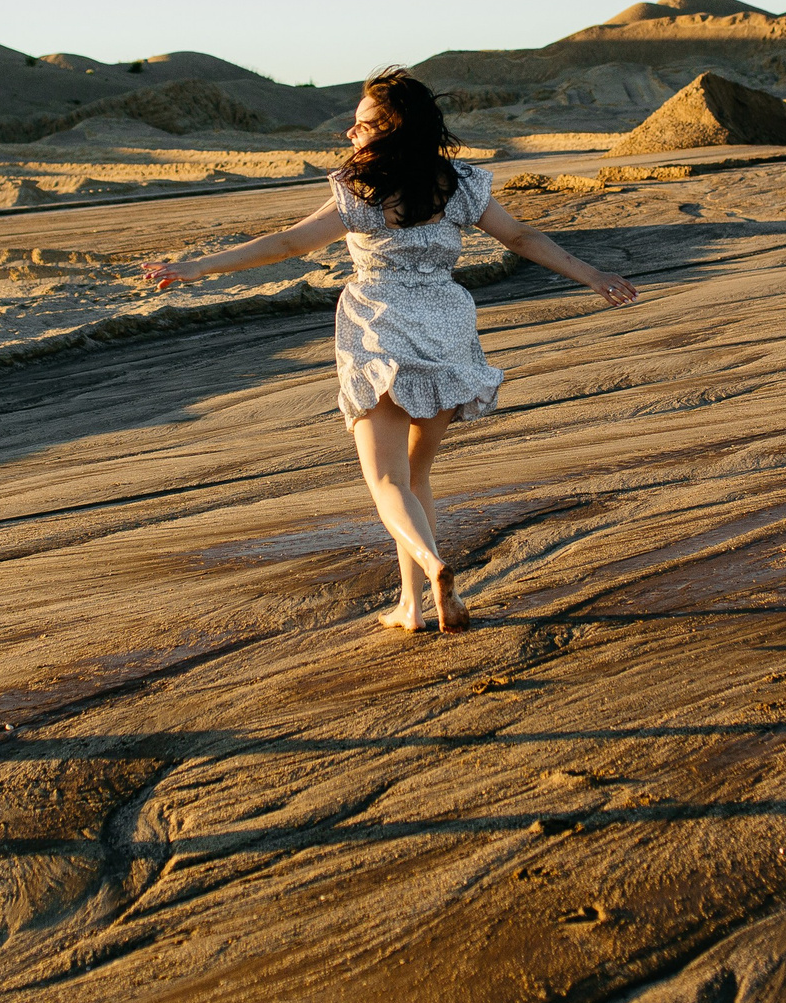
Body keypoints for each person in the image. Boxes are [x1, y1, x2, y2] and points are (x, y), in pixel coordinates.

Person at [143, 69, 638, 634]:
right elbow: (522, 238)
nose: (349, 135)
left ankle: (432, 564)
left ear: (389, 129)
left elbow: (288, 243)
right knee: (416, 477)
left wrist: (198, 267)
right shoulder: (460, 184)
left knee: (386, 482)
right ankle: (416, 605)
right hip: (446, 328)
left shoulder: (361, 189)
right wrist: (594, 275)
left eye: (360, 126)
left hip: (380, 330)